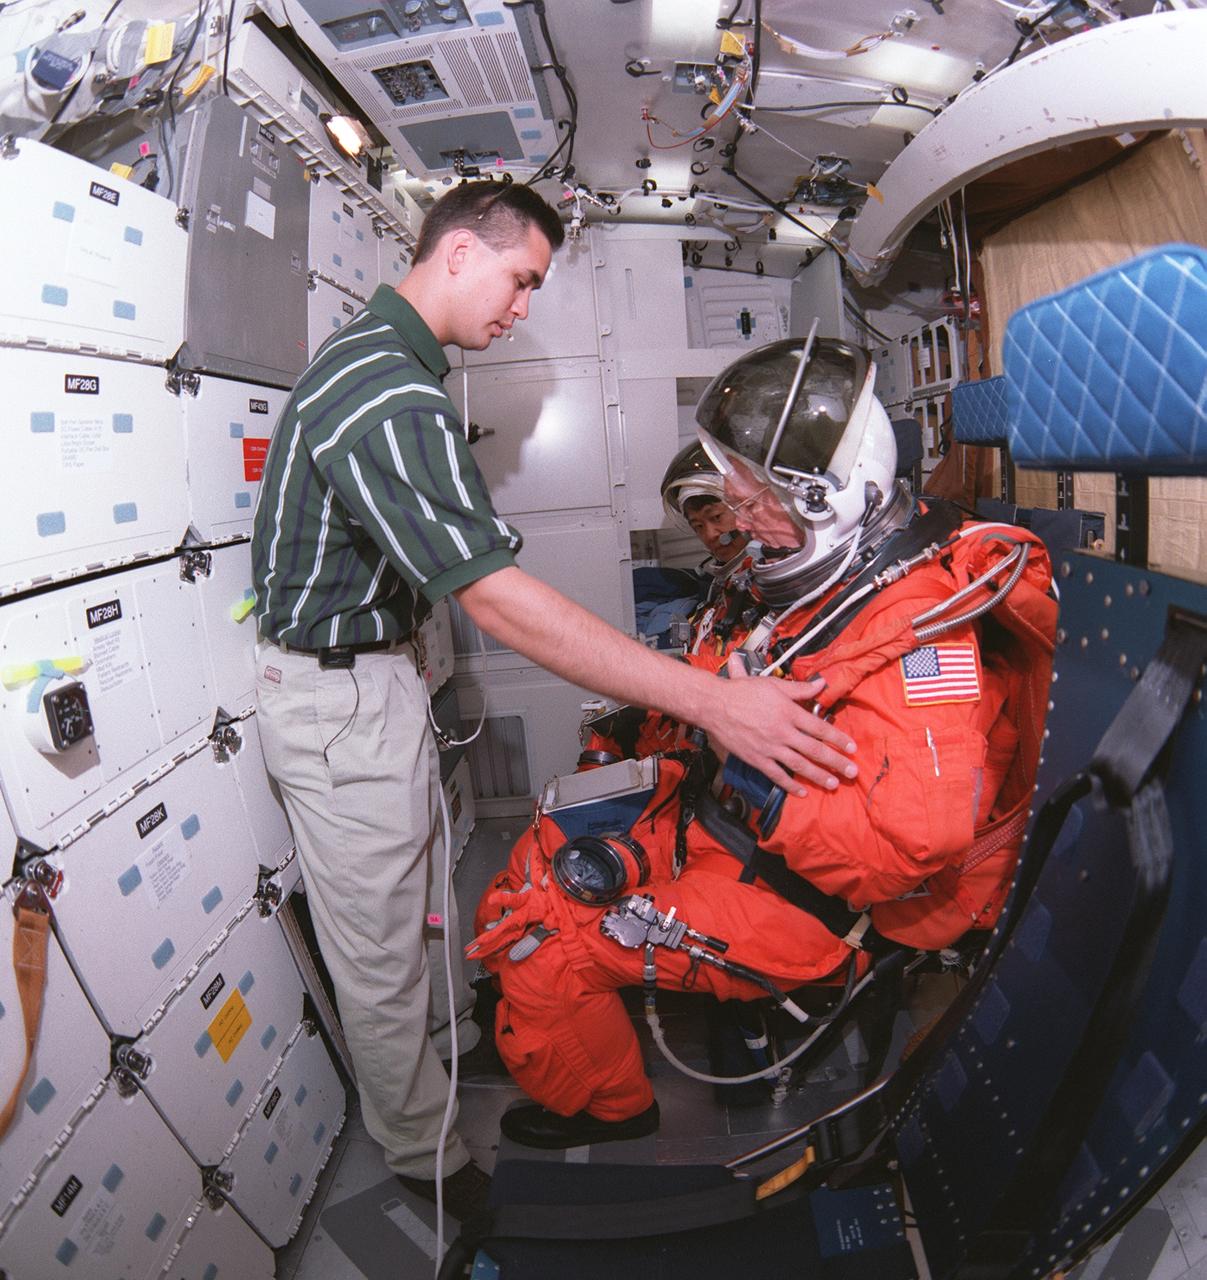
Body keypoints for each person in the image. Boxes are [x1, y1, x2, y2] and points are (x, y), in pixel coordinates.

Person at [250, 186, 859, 1219]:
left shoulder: (395, 369)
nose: (524, 306)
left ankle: (446, 1066)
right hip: (339, 699)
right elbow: (493, 597)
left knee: (415, 916)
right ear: (454, 252)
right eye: (521, 277)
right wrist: (712, 701)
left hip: (374, 680)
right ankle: (430, 1164)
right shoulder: (384, 391)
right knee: (382, 949)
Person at [470, 334, 1057, 1149]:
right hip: (734, 835)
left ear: (823, 497)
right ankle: (533, 1026)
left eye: (751, 504)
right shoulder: (833, 590)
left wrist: (750, 777)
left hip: (811, 908)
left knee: (546, 939)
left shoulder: (920, 638)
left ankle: (611, 1113)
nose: (738, 522)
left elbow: (907, 850)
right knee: (546, 849)